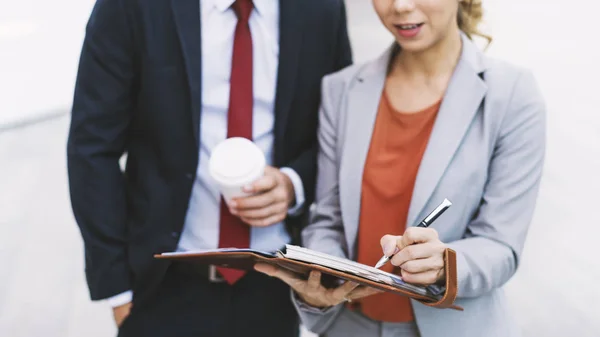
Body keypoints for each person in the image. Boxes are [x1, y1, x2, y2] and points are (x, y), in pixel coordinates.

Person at [254, 0, 546, 336]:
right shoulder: (342, 89)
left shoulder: (513, 95)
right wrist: (321, 276)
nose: (400, 6)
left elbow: (501, 245)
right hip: (349, 324)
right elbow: (328, 220)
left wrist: (445, 264)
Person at [66, 0, 352, 336]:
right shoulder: (132, 7)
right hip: (162, 283)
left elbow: (335, 132)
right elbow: (92, 147)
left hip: (274, 283)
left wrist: (293, 184)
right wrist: (117, 290)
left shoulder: (321, 8)